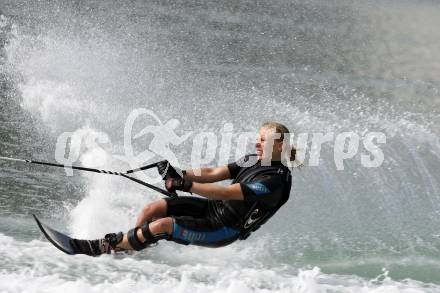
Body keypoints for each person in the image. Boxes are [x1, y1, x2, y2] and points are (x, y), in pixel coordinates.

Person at [70, 122, 297, 256]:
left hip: (224, 228)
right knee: (153, 210)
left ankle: (105, 247)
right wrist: (180, 173)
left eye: (263, 141)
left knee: (164, 225)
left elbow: (227, 192)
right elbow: (214, 173)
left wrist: (187, 186)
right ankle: (128, 253)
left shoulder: (275, 181)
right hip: (212, 209)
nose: (257, 144)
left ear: (278, 145)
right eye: (257, 139)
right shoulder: (251, 160)